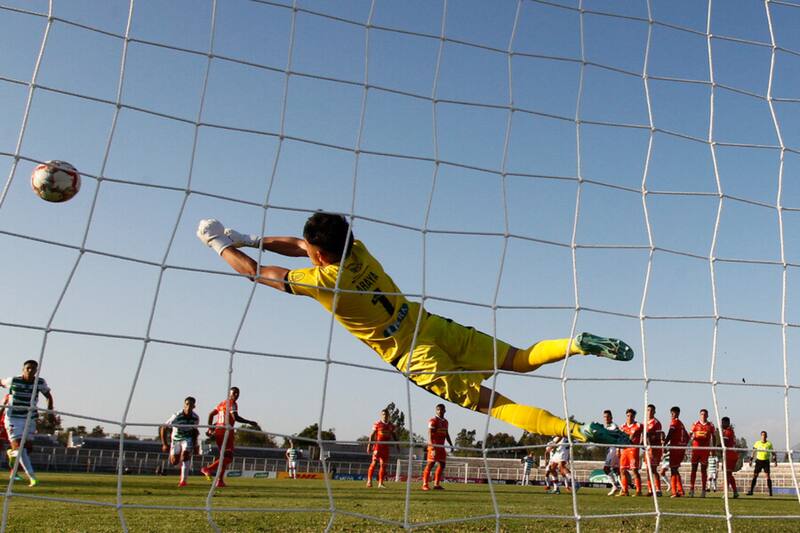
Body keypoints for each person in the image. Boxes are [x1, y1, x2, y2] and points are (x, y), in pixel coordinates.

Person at [196, 214, 633, 445]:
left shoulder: (323, 282)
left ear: (319, 255)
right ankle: (576, 344)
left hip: (417, 358)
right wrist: (250, 237)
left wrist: (220, 245)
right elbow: (298, 244)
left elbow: (258, 273)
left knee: (497, 406)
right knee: (520, 358)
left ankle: (576, 431)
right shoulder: (360, 252)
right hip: (431, 324)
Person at [0, 360, 54, 487]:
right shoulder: (13, 381)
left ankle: (11, 453)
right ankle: (32, 477)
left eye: (33, 369)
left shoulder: (39, 382)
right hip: (13, 418)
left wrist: (50, 412)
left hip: (30, 418)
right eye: (28, 368)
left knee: (27, 449)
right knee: (20, 449)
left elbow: (48, 395)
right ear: (23, 369)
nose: (30, 371)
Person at [201, 386, 260, 488]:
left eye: (238, 393)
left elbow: (211, 414)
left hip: (218, 431)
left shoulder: (221, 403)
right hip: (226, 431)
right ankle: (208, 469)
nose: (236, 395)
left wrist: (210, 429)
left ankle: (219, 481)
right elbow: (235, 417)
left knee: (223, 457)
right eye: (234, 393)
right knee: (228, 457)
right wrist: (250, 422)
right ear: (229, 393)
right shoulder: (232, 403)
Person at [160, 396, 200, 487]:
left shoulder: (195, 418)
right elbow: (164, 427)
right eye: (187, 404)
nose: (188, 406)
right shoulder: (177, 416)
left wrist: (196, 445)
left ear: (194, 406)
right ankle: (179, 459)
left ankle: (183, 481)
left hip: (187, 438)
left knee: (185, 456)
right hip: (176, 439)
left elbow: (194, 431)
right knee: (174, 461)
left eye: (191, 405)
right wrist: (165, 444)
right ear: (184, 405)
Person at [422, 404, 452, 491]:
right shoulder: (433, 420)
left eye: (441, 410)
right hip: (433, 446)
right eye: (438, 410)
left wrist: (450, 444)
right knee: (430, 464)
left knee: (442, 464)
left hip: (441, 447)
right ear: (436, 411)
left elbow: (446, 434)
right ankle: (425, 484)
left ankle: (436, 484)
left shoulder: (446, 422)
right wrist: (432, 447)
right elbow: (430, 434)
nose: (440, 411)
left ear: (444, 411)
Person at [366, 409, 397, 488]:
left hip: (385, 448)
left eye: (386, 414)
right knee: (374, 463)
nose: (385, 416)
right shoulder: (377, 424)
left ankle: (380, 483)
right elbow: (372, 435)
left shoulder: (391, 426)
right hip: (377, 447)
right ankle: (369, 481)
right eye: (383, 414)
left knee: (383, 465)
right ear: (381, 415)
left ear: (388, 415)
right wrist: (369, 445)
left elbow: (394, 435)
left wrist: (397, 445)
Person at [688, 408, 715, 497]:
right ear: (700, 415)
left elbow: (713, 437)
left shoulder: (710, 425)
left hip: (705, 450)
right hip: (695, 450)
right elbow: (690, 434)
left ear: (707, 415)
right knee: (693, 469)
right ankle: (691, 490)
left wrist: (713, 449)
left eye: (705, 414)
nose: (703, 415)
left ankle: (703, 490)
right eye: (702, 414)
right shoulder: (695, 424)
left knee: (703, 470)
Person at [663, 406, 688, 498]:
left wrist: (665, 443)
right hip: (680, 448)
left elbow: (670, 432)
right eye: (671, 413)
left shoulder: (674, 422)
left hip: (676, 448)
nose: (672, 415)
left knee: (673, 469)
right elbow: (687, 436)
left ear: (677, 413)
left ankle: (674, 491)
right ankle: (680, 490)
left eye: (673, 413)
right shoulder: (681, 424)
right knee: (675, 469)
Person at [618, 408, 643, 497]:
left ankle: (638, 491)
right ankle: (625, 491)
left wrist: (642, 441)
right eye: (628, 416)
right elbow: (619, 438)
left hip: (633, 449)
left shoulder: (638, 425)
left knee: (634, 470)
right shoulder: (622, 427)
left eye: (631, 416)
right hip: (624, 450)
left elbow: (644, 433)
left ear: (634, 416)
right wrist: (618, 449)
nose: (629, 417)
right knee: (622, 470)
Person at [747, 430, 777, 496]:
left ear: (766, 436)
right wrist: (751, 460)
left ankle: (770, 492)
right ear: (761, 436)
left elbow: (773, 453)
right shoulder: (757, 443)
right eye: (762, 435)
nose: (763, 436)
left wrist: (775, 461)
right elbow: (753, 452)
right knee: (755, 476)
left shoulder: (769, 444)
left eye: (765, 435)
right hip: (759, 461)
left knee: (768, 476)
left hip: (766, 461)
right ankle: (751, 491)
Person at [644, 404, 664, 497]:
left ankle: (658, 489)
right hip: (647, 449)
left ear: (654, 412)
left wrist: (650, 437)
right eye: (648, 410)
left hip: (655, 448)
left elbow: (657, 436)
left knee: (653, 469)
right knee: (648, 470)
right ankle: (650, 489)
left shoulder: (656, 423)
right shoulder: (645, 422)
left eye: (651, 410)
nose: (649, 412)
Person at [602, 410, 622, 496]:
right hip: (610, 449)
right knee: (616, 470)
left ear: (611, 417)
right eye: (604, 417)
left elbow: (618, 437)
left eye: (607, 416)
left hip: (614, 449)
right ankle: (623, 487)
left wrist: (618, 448)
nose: (606, 418)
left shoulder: (614, 426)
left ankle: (615, 486)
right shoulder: (606, 427)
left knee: (606, 468)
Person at [720, 417, 739, 498]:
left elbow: (724, 442)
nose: (721, 424)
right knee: (729, 475)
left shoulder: (728, 432)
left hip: (730, 455)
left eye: (723, 423)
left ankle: (726, 493)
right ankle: (735, 492)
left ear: (727, 423)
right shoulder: (729, 431)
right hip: (730, 454)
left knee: (727, 475)